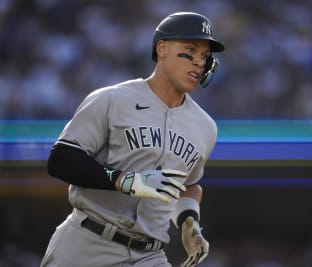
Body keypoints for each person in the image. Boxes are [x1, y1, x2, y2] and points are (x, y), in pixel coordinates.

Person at [40, 11, 224, 267]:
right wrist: (124, 180)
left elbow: (188, 185)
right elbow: (61, 159)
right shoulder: (112, 99)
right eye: (190, 50)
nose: (198, 62)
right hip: (88, 243)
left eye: (204, 56)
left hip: (150, 255)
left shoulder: (205, 127)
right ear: (162, 49)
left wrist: (188, 221)